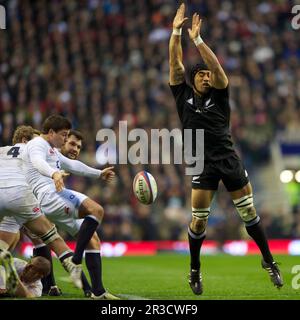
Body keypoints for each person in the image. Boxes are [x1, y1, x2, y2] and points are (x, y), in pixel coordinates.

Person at [168, 4, 283, 295]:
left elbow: (218, 69)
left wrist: (197, 41)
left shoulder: (220, 95)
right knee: (199, 219)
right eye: (202, 75)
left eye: (208, 75)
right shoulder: (182, 95)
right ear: (193, 79)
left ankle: (269, 260)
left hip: (227, 157)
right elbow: (175, 64)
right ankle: (194, 270)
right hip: (199, 160)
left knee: (249, 214)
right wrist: (175, 32)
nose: (207, 77)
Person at [22, 114, 119, 300]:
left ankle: (97, 291)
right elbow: (37, 162)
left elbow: (73, 165)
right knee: (95, 210)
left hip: (54, 196)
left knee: (93, 238)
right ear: (51, 132)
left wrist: (99, 173)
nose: (66, 139)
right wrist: (54, 174)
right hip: (47, 197)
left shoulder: (52, 150)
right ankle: (73, 262)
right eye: (65, 136)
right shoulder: (37, 144)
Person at [0, 125, 82, 290]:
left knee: (6, 242)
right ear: (26, 140)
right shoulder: (34, 151)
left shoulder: (2, 150)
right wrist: (55, 173)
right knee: (52, 237)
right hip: (21, 196)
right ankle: (75, 271)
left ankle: (2, 279)